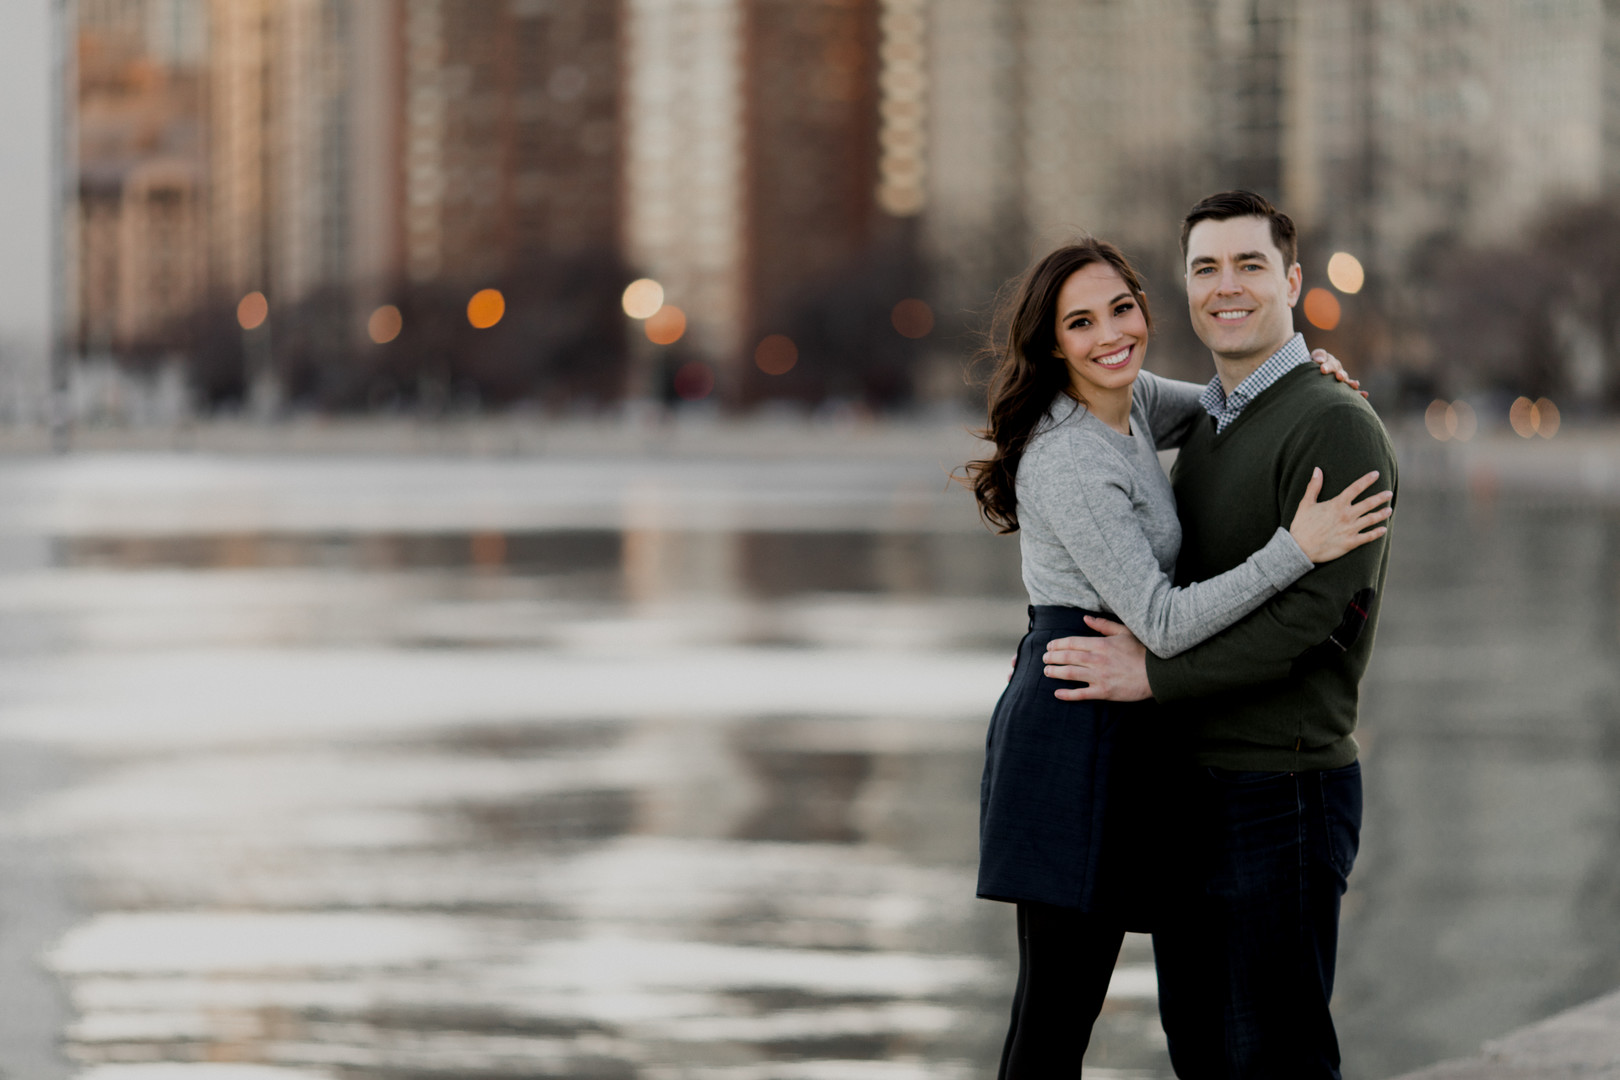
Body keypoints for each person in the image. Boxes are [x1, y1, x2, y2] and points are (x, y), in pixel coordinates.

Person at [961, 236, 1392, 1078]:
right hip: (1076, 708)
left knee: (1089, 1006)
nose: (1109, 335)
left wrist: (1306, 371)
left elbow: (1226, 403)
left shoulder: (1129, 402)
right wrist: (1294, 549)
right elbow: (1159, 621)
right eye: (1080, 323)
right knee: (1053, 1018)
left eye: (1122, 309)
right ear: (1054, 344)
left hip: (1130, 717)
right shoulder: (1073, 455)